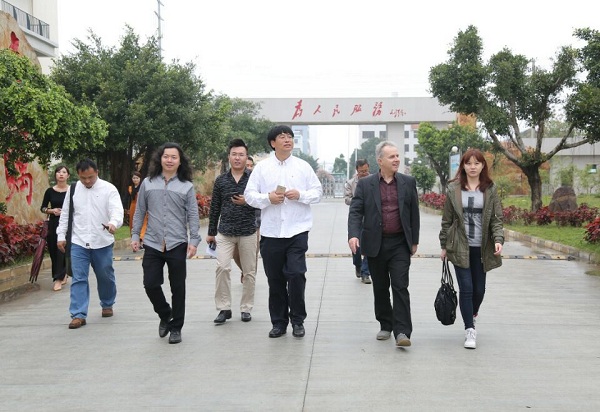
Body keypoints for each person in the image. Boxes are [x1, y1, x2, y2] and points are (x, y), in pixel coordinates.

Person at [245, 125, 322, 339]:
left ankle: (298, 320)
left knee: (296, 275)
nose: (287, 140)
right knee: (275, 280)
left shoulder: (303, 166)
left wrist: (301, 195)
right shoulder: (262, 168)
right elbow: (249, 195)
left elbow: (318, 192)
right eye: (282, 137)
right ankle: (279, 323)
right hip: (271, 233)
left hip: (297, 230)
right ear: (273, 143)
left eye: (289, 136)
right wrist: (267, 198)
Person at [348, 141, 420, 348]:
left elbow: (414, 213)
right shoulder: (365, 184)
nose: (396, 159)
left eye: (397, 156)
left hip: (400, 243)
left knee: (400, 285)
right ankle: (385, 325)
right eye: (391, 157)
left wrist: (414, 240)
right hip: (375, 243)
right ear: (380, 161)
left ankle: (402, 331)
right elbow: (356, 211)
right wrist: (353, 235)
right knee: (380, 287)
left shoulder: (408, 182)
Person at [131, 142, 200, 344]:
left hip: (177, 243)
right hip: (152, 242)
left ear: (180, 161)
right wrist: (135, 235)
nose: (169, 160)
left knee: (178, 288)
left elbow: (193, 216)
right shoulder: (148, 183)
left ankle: (176, 327)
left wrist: (194, 240)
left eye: (174, 157)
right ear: (160, 159)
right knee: (150, 284)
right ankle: (165, 314)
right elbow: (140, 211)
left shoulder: (186, 186)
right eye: (166, 156)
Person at [439, 148, 503, 349]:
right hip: (459, 246)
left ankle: (472, 313)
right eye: (468, 163)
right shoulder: (454, 189)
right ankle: (469, 329)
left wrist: (498, 239)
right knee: (466, 289)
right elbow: (447, 220)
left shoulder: (490, 189)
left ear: (483, 166)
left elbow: (497, 219)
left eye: (477, 163)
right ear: (463, 166)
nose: (472, 167)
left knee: (479, 290)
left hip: (482, 248)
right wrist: (444, 245)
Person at [57, 159, 123, 329]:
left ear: (97, 172)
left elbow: (117, 210)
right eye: (83, 178)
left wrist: (113, 223)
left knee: (105, 276)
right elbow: (65, 215)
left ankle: (107, 303)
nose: (87, 181)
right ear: (78, 175)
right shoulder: (73, 189)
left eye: (90, 177)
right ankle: (78, 314)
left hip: (102, 241)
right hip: (78, 241)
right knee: (78, 278)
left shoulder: (109, 189)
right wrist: (61, 235)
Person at [207, 139, 258, 324]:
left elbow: (262, 202)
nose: (237, 158)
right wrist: (211, 232)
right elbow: (215, 207)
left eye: (241, 155)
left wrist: (247, 201)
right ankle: (224, 308)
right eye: (234, 154)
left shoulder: (254, 178)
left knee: (249, 271)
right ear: (229, 156)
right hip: (225, 232)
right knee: (222, 267)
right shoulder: (221, 180)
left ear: (246, 157)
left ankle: (246, 308)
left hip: (248, 231)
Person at [40, 165, 70, 291]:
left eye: (64, 172)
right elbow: (43, 208)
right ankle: (61, 274)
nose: (61, 174)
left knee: (63, 250)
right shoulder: (49, 191)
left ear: (68, 175)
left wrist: (66, 212)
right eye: (58, 172)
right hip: (54, 223)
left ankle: (58, 278)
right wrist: (52, 211)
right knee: (54, 250)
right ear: (55, 175)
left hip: (68, 224)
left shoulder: (71, 190)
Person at [344, 159, 371, 284]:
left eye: (366, 171)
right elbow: (347, 199)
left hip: (371, 217)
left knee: (369, 245)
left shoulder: (374, 180)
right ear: (357, 170)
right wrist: (359, 201)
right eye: (361, 171)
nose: (364, 173)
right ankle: (358, 264)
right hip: (357, 218)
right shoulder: (350, 183)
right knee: (356, 245)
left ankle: (366, 273)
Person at [127, 171, 148, 243]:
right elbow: (128, 199)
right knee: (132, 222)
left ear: (140, 179)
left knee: (143, 222)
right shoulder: (130, 188)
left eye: (137, 178)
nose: (135, 179)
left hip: (142, 206)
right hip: (133, 206)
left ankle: (141, 237)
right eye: (134, 178)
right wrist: (127, 209)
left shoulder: (143, 187)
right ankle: (134, 238)